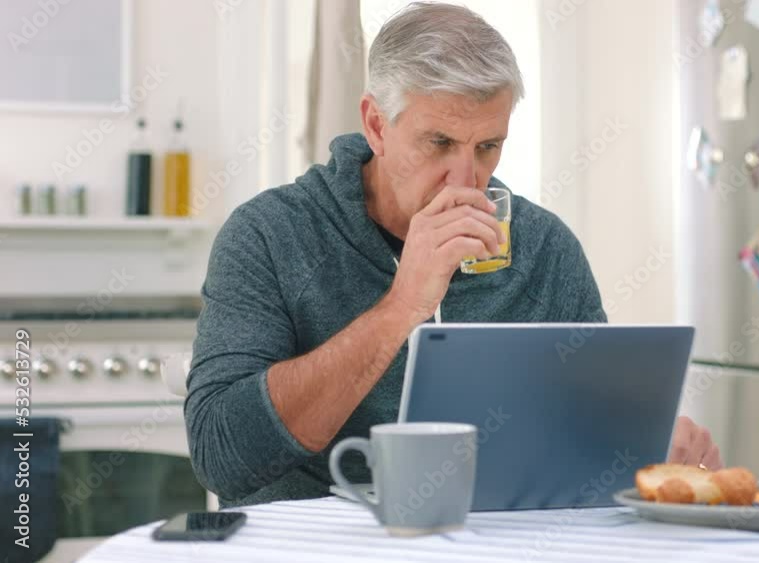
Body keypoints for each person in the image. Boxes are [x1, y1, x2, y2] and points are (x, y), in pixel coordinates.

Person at [185, 2, 721, 508]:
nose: (467, 180)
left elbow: (589, 436)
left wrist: (645, 441)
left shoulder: (544, 249)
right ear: (375, 125)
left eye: (487, 147)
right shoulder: (268, 236)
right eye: (439, 143)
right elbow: (221, 456)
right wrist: (401, 306)